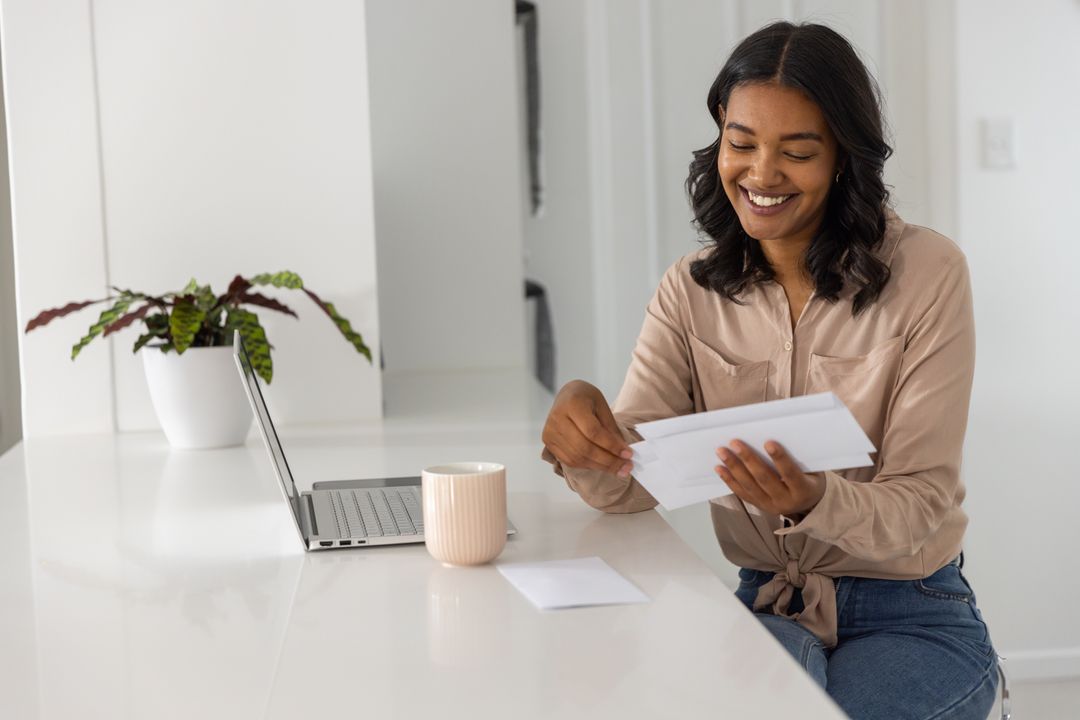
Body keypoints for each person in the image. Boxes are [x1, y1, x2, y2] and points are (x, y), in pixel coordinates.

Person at [540, 21, 998, 720]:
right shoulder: (688, 289)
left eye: (798, 152)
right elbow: (627, 482)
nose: (760, 174)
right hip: (768, 603)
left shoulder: (929, 274)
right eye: (741, 142)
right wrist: (580, 423)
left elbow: (921, 504)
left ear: (843, 156)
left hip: (911, 610)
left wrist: (816, 499)